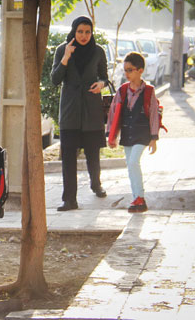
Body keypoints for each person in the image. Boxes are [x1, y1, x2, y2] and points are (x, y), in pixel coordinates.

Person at [51, 16, 108, 212]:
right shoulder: (62, 49)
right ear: (74, 31)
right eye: (80, 31)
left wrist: (101, 84)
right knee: (68, 157)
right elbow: (55, 79)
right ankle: (69, 200)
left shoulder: (98, 51)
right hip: (70, 111)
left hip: (91, 109)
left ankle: (96, 184)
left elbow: (104, 77)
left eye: (87, 32)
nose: (84, 36)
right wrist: (66, 57)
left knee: (93, 153)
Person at [107, 52, 160, 213]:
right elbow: (113, 113)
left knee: (133, 162)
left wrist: (153, 137)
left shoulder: (149, 91)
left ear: (140, 70)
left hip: (142, 134)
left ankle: (140, 197)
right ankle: (136, 197)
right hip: (127, 134)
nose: (127, 73)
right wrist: (111, 134)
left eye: (130, 70)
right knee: (130, 166)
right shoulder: (122, 91)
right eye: (125, 70)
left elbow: (153, 114)